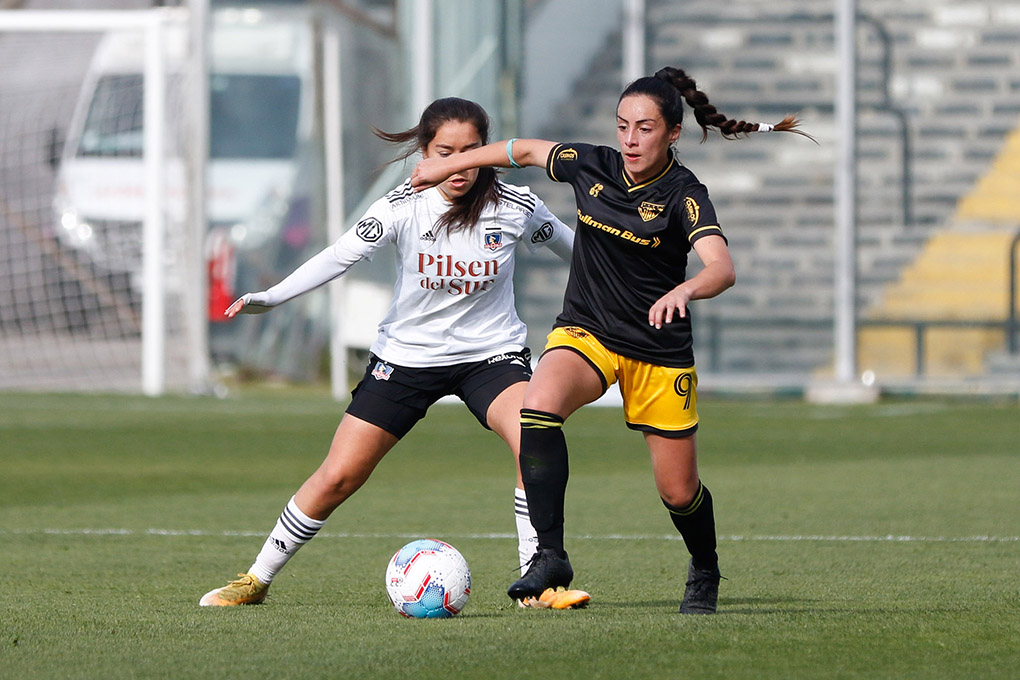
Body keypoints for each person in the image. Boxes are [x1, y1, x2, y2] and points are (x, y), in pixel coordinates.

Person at [411, 67, 814, 614]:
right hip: (588, 330)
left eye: (644, 128)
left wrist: (686, 290)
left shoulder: (685, 194)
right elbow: (522, 150)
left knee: (678, 491)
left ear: (672, 132)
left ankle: (705, 567)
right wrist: (449, 163)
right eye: (622, 125)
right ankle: (549, 557)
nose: (629, 139)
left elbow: (722, 267)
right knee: (538, 404)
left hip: (657, 348)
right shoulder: (592, 164)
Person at [199, 97, 575, 607]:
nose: (457, 163)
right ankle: (256, 580)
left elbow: (579, 255)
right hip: (406, 358)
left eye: (470, 151)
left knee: (532, 437)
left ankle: (539, 583)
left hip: (490, 356)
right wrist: (272, 297)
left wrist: (637, 284)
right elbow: (337, 257)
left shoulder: (516, 206)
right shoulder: (402, 205)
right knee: (339, 475)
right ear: (425, 150)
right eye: (445, 151)